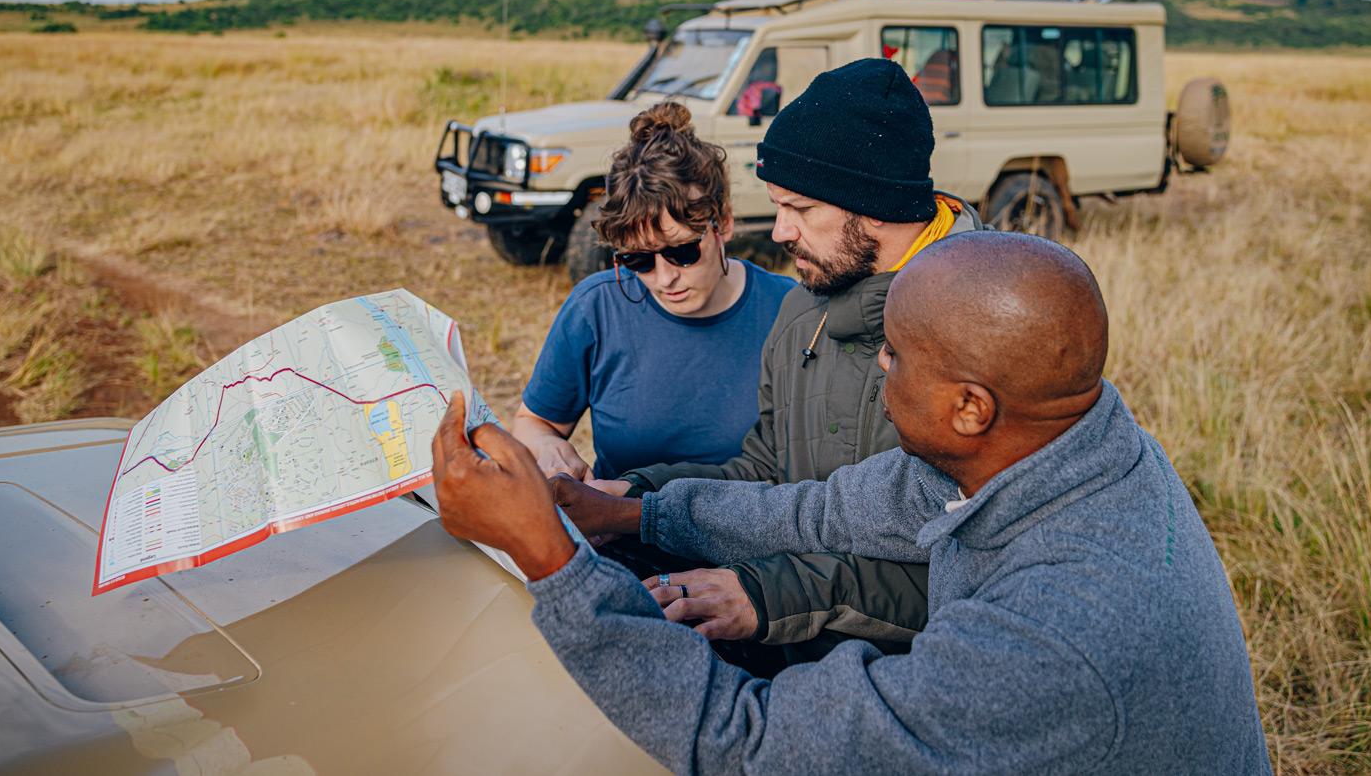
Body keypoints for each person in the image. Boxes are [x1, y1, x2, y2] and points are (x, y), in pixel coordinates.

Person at [429, 232, 1272, 775]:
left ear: (970, 406)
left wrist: (552, 557)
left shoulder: (1055, 633)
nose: (878, 370)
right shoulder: (1065, 438)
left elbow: (748, 743)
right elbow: (818, 512)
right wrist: (626, 514)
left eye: (897, 356)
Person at [592, 58, 983, 666]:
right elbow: (769, 469)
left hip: (906, 683)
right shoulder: (804, 310)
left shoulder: (988, 333)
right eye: (777, 207)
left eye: (799, 209)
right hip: (785, 647)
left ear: (871, 202)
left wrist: (768, 593)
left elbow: (971, 571)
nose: (779, 232)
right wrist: (636, 495)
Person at [511, 101, 794, 482]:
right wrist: (546, 446)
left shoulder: (788, 310)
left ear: (723, 223)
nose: (664, 279)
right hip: (618, 534)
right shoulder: (595, 308)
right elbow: (535, 421)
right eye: (637, 260)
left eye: (682, 252)